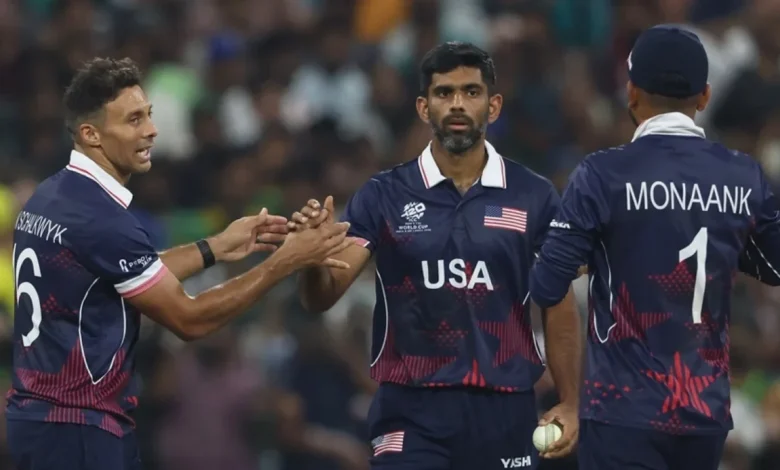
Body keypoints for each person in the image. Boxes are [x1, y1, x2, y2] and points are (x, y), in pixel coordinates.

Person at [5, 57, 352, 470]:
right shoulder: (103, 219)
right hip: (80, 429)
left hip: (35, 419)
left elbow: (125, 272)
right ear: (91, 134)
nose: (151, 130)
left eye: (148, 115)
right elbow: (190, 320)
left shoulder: (49, 196)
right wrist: (285, 261)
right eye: (134, 120)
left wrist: (215, 247)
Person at [291, 42, 581, 470]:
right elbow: (322, 296)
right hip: (410, 410)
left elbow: (558, 303)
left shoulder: (533, 195)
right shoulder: (383, 195)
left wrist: (570, 402)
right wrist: (312, 259)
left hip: (504, 410)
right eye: (444, 93)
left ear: (493, 106)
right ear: (424, 108)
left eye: (471, 92)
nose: (458, 104)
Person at [529, 25, 780, 470]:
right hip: (704, 413)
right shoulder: (744, 175)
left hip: (622, 410)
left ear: (631, 92)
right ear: (704, 97)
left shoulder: (602, 175)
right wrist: (719, 237)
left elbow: (547, 284)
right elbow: (774, 267)